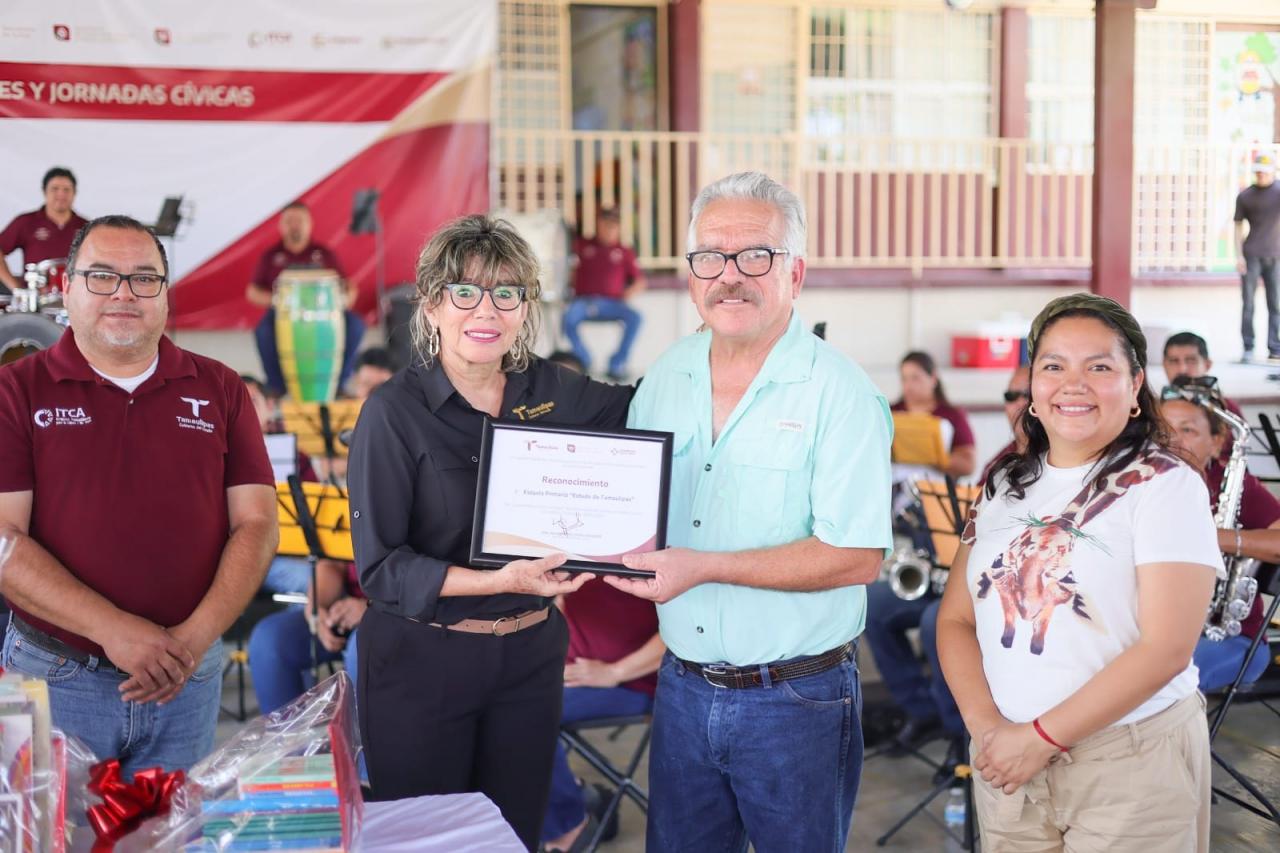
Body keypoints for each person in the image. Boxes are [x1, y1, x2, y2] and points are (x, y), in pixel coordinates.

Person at [605, 172, 893, 852]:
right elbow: (631, 507)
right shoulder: (664, 377)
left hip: (796, 700)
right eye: (711, 255)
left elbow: (856, 557)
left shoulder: (839, 392)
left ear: (796, 272)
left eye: (755, 255)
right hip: (682, 686)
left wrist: (705, 567)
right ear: (691, 274)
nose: (729, 275)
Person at [348, 214, 632, 850]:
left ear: (525, 307)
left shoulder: (553, 388)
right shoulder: (392, 412)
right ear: (431, 305)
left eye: (507, 292)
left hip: (530, 656)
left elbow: (647, 410)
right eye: (465, 291)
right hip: (423, 662)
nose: (487, 309)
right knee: (428, 842)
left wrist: (718, 349)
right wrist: (502, 579)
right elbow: (383, 570)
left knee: (515, 836)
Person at [938, 293, 1220, 852]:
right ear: (1033, 387)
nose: (1073, 384)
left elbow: (1166, 648)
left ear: (1135, 386)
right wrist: (988, 729)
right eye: (1053, 366)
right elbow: (955, 620)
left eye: (1099, 367)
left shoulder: (1166, 485)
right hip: (1006, 760)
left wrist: (1040, 738)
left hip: (1129, 762)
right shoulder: (1003, 484)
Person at [0, 215, 277, 776]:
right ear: (67, 288)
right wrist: (113, 631)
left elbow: (257, 524)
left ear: (165, 293)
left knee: (175, 824)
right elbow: (4, 538)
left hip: (188, 678)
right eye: (102, 276)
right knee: (56, 826)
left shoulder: (221, 388)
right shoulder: (15, 390)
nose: (124, 293)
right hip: (59, 678)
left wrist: (191, 642)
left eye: (144, 278)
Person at [868, 364, 1029, 763]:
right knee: (873, 605)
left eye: (1025, 395)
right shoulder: (1000, 461)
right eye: (1010, 396)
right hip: (953, 572)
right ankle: (921, 711)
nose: (1017, 404)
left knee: (934, 623)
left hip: (1000, 589)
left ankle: (960, 735)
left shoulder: (1050, 461)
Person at [1161, 393, 1276, 691]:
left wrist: (1215, 538)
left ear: (1216, 443)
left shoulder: (1234, 484)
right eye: (1162, 428)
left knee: (1161, 680)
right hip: (1153, 630)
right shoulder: (1138, 481)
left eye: (1187, 429)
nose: (1171, 440)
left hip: (1227, 636)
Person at [541, 580, 663, 852]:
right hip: (567, 674)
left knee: (526, 713)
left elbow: (685, 630)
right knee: (491, 703)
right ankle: (576, 795)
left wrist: (614, 672)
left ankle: (567, 826)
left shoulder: (661, 554)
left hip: (631, 683)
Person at [246, 201, 365, 397]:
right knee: (263, 331)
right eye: (290, 221)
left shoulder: (324, 254)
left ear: (309, 224)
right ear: (281, 225)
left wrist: (346, 299)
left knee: (355, 325)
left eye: (299, 220)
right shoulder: (271, 256)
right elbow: (252, 292)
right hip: (284, 314)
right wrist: (277, 300)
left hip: (324, 313)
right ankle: (276, 387)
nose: (295, 225)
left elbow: (348, 285)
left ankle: (339, 383)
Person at [249, 559, 365, 715]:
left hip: (392, 610)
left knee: (362, 648)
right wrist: (317, 605)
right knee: (268, 640)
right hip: (345, 604)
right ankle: (286, 730)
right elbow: (332, 563)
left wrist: (370, 606)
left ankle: (362, 730)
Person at [561, 208, 645, 380]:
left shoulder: (624, 251)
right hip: (585, 302)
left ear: (618, 228)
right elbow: (566, 263)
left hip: (613, 304)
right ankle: (584, 359)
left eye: (613, 226)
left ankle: (617, 364)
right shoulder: (582, 246)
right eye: (605, 225)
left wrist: (629, 292)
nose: (609, 230)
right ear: (598, 225)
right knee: (568, 317)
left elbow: (639, 281)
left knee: (636, 318)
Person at [0, 167, 88, 294]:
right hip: (36, 300)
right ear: (44, 191)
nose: (61, 194)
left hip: (77, 297)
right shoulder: (26, 222)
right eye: (55, 189)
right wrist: (16, 289)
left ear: (74, 193)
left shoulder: (86, 227)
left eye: (66, 189)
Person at [892, 350, 977, 479]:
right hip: (894, 486)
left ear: (933, 379)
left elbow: (968, 464)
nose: (908, 386)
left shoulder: (952, 415)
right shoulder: (890, 412)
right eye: (904, 379)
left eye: (915, 378)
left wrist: (933, 457)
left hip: (935, 487)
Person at [1234, 152, 1280, 363]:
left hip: (1276, 256)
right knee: (1248, 304)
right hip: (1251, 255)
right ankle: (1248, 347)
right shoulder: (1245, 196)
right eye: (1258, 172)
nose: (1261, 175)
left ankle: (1275, 347)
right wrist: (1239, 256)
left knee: (1276, 304)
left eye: (1264, 172)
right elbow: (1237, 227)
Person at [1161, 331, 1244, 418]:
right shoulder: (1155, 411)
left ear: (1207, 365)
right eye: (1174, 361)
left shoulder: (1227, 410)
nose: (1182, 369)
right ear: (1164, 365)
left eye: (1191, 360)